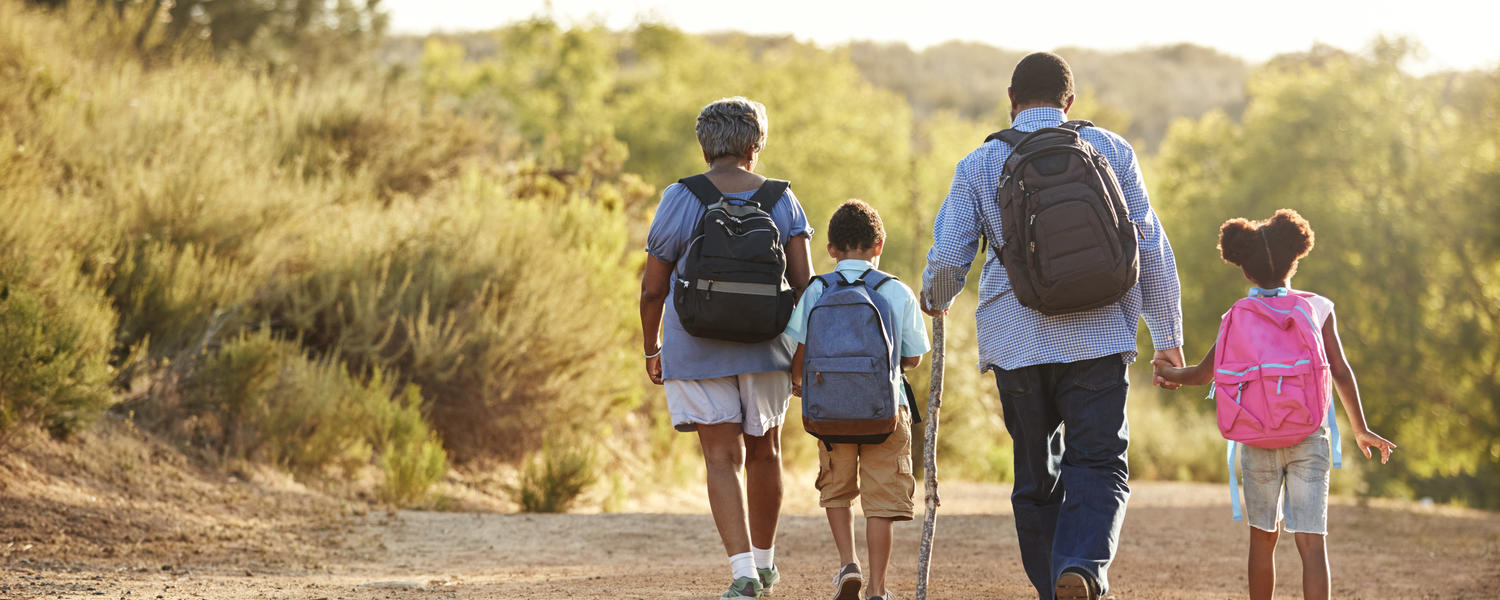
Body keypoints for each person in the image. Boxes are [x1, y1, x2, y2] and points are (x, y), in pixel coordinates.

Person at [920, 52, 1184, 600]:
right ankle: (1082, 567)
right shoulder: (1110, 150)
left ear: (1011, 101)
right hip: (1101, 334)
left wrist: (934, 298)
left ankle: (1053, 587)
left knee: (1035, 478)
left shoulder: (980, 163)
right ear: (1070, 101)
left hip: (1017, 340)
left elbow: (949, 258)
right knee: (1099, 461)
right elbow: (1152, 246)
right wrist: (1168, 338)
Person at [1152, 209, 1396, 600]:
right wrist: (1360, 428)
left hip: (1256, 439)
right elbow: (1341, 371)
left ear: (1245, 272)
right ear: (1295, 261)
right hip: (1308, 438)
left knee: (1262, 538)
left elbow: (1201, 374)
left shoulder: (1235, 316)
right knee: (1312, 543)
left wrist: (1166, 372)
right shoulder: (1317, 309)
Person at [640, 96, 814, 599]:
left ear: (704, 146)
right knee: (766, 452)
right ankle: (765, 565)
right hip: (767, 346)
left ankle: (741, 574)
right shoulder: (783, 198)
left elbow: (653, 288)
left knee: (721, 458)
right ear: (756, 146)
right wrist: (801, 357)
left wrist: (652, 347)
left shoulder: (680, 197)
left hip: (696, 346)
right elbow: (806, 288)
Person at [785, 199, 931, 600]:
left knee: (837, 489)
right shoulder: (895, 290)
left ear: (831, 249)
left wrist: (800, 382)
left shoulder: (817, 289)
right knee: (881, 500)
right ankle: (878, 589)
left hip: (829, 411)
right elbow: (914, 357)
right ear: (878, 244)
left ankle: (848, 563)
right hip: (886, 410)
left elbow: (799, 348)